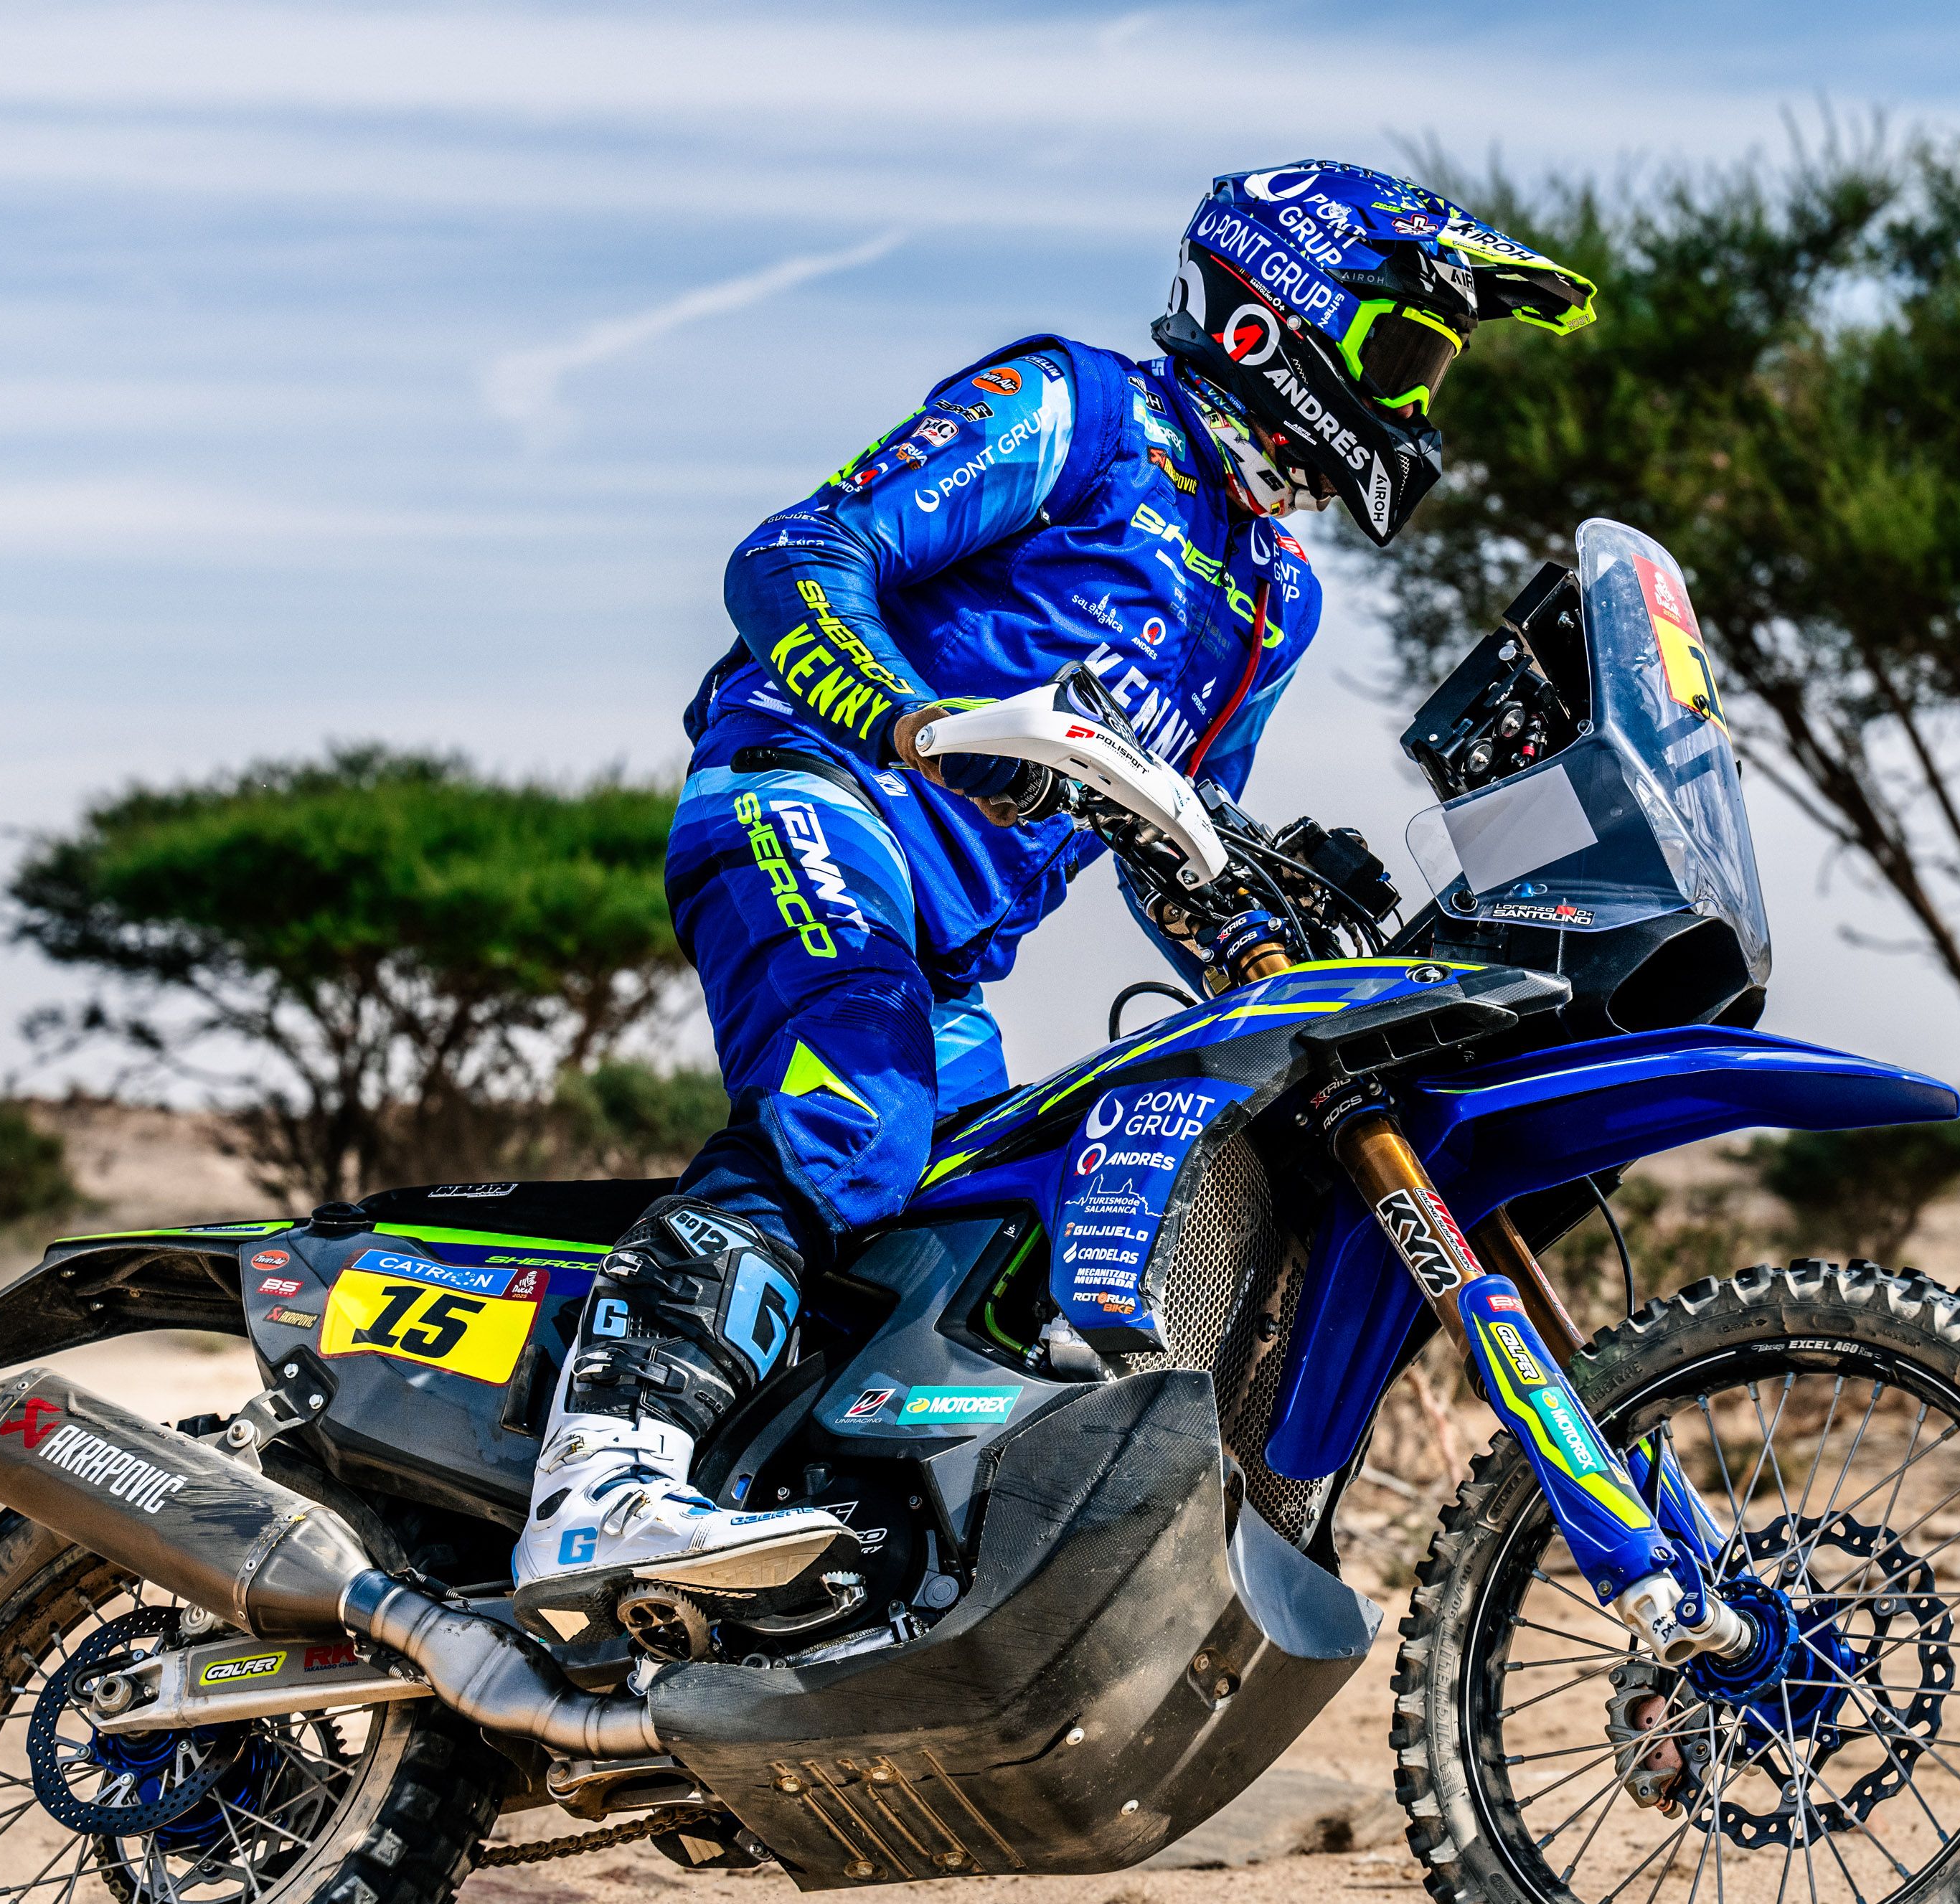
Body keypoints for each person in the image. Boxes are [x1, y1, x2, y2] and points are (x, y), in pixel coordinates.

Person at [514, 160, 1597, 1596]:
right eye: (1398, 357)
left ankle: (814, 1560)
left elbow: (1172, 837)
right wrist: (909, 717)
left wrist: (1263, 921)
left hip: (951, 954)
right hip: (810, 795)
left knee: (978, 1247)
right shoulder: (1083, 410)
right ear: (1276, 315)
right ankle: (601, 1482)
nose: (1412, 407)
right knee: (850, 1121)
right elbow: (794, 555)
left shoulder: (1272, 595)